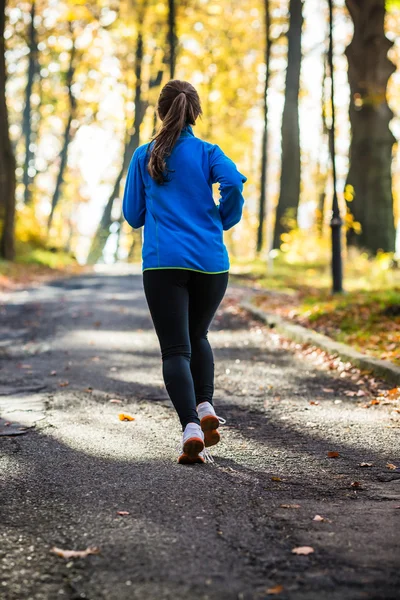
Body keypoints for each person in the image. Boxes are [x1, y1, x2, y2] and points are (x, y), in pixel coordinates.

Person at [122, 79, 247, 464]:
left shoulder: (145, 155)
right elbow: (233, 182)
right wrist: (224, 217)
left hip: (164, 263)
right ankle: (206, 405)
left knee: (176, 349)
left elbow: (133, 215)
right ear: (195, 112)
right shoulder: (209, 152)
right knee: (199, 335)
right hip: (211, 263)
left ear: (161, 112)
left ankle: (191, 426)